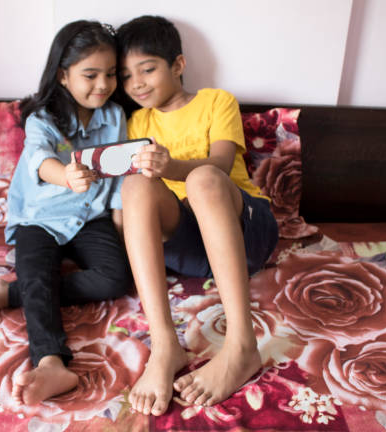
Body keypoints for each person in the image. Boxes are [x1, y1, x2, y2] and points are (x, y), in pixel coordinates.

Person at [116, 15, 279, 416]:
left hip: (245, 234)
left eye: (148, 69)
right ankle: (166, 345)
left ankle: (242, 345)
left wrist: (169, 167)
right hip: (193, 250)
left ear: (178, 65)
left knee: (204, 179)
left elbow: (222, 165)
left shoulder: (215, 101)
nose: (136, 83)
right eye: (126, 76)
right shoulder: (137, 121)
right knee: (134, 186)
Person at [0, 20, 131, 406]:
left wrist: (122, 221)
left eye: (110, 74)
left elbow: (123, 173)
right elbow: (41, 160)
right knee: (37, 270)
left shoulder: (114, 117)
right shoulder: (42, 119)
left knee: (116, 279)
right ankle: (50, 361)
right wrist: (67, 175)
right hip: (40, 217)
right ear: (63, 75)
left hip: (90, 217)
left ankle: (12, 292)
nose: (103, 84)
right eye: (90, 75)